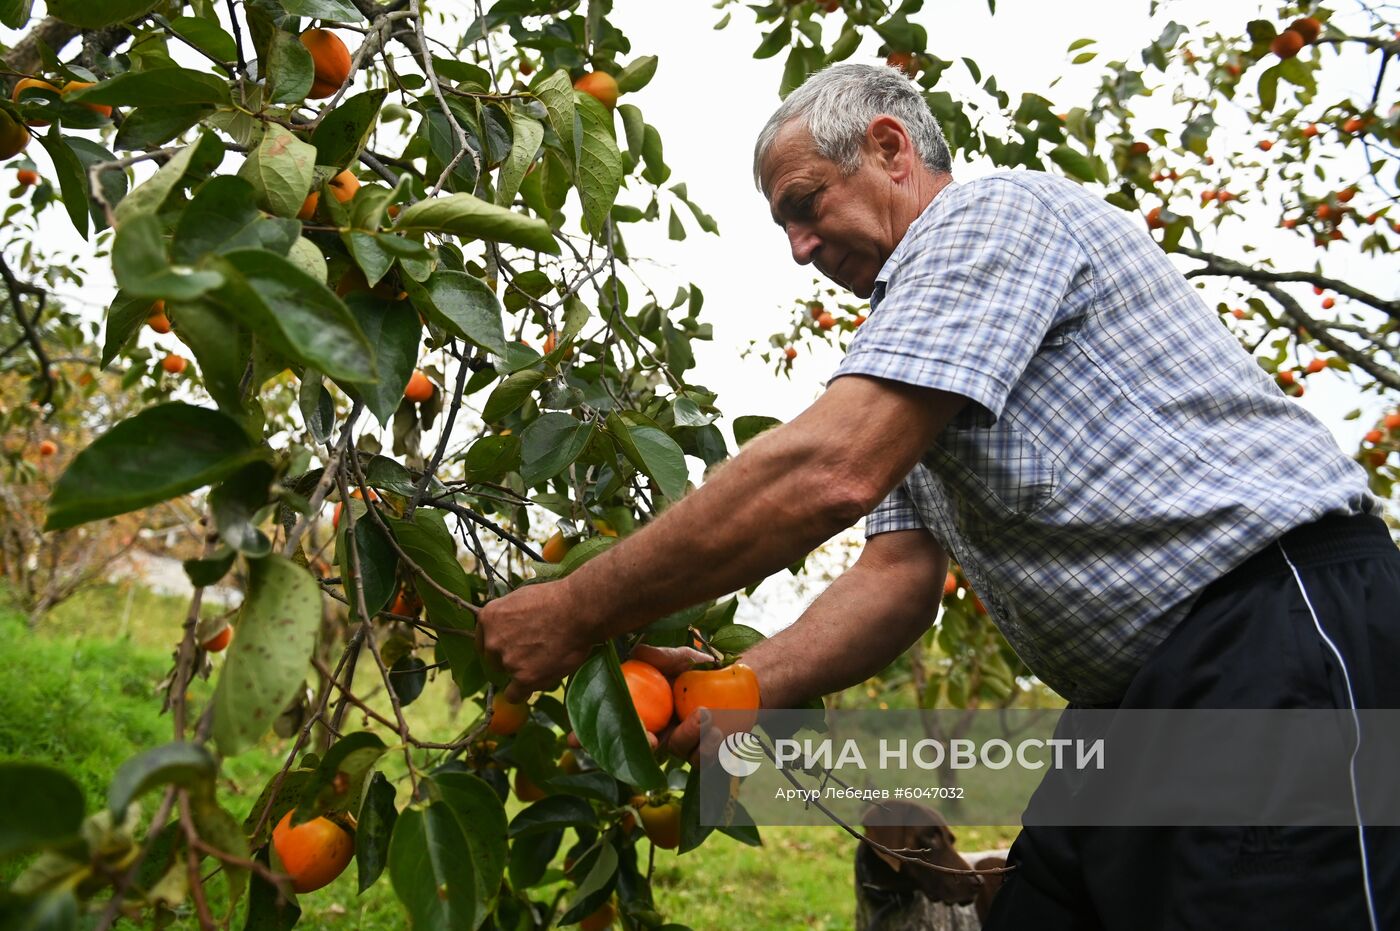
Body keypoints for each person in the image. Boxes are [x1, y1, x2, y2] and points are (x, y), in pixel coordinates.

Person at [477, 63, 1400, 928]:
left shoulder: (988, 218)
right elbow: (896, 577)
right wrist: (740, 685)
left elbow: (829, 471)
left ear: (889, 147)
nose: (800, 249)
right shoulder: (920, 345)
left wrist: (575, 608)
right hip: (1143, 701)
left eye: (805, 206)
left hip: (1281, 641)